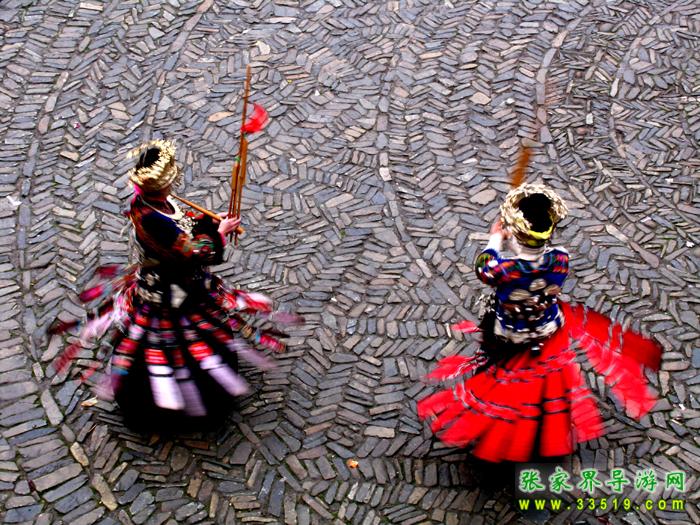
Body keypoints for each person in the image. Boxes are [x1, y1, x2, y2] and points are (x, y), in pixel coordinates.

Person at [52, 139, 301, 429]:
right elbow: (193, 253)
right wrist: (219, 234)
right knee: (176, 344)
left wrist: (209, 223)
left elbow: (182, 226)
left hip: (177, 283)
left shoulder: (150, 202)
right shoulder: (152, 220)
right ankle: (177, 406)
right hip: (169, 291)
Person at [417, 183, 661, 462]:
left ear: (515, 234)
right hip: (549, 333)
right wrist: (512, 239)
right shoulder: (560, 260)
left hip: (510, 337)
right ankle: (547, 427)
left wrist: (496, 238)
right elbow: (526, 263)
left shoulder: (503, 270)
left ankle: (506, 429)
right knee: (548, 385)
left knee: (502, 382)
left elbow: (484, 265)